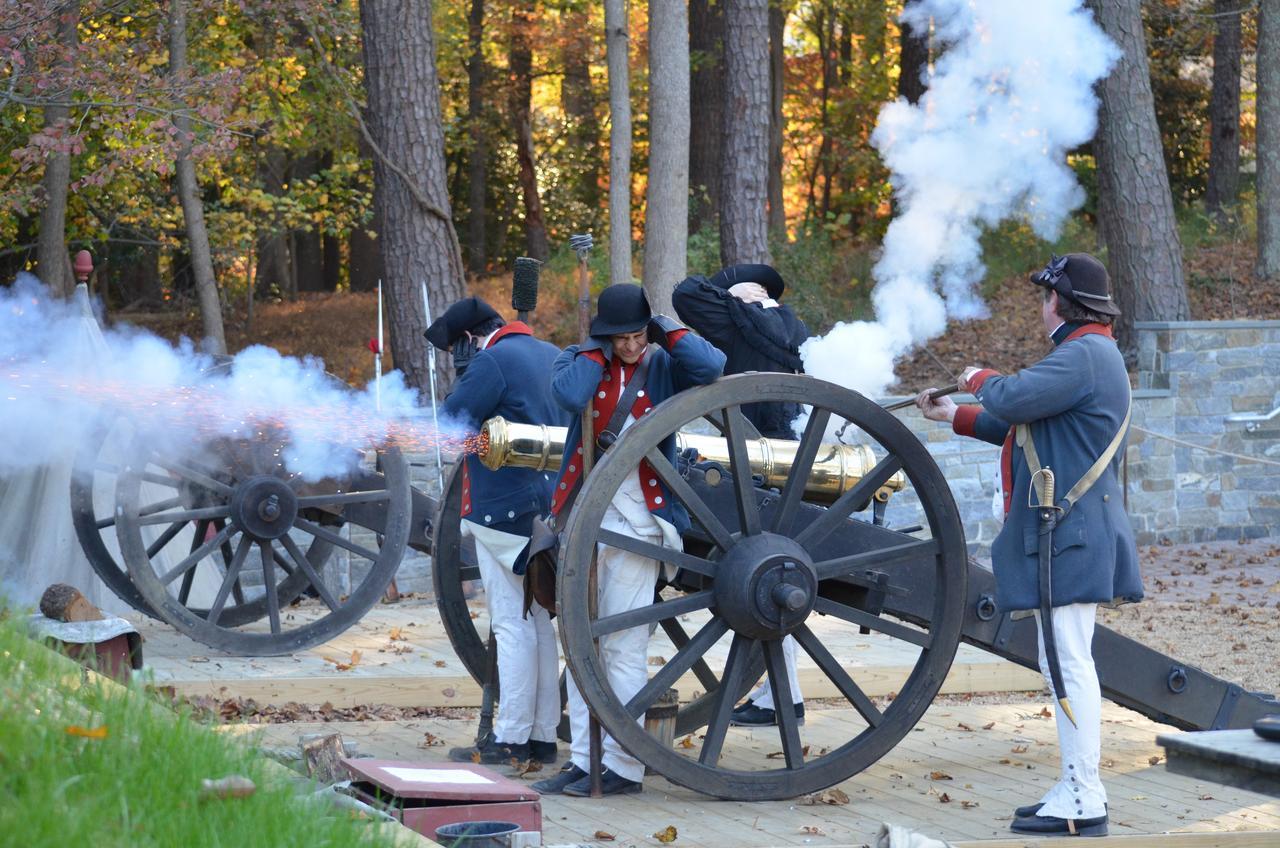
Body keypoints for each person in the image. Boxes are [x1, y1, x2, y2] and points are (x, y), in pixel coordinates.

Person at [915, 253, 1142, 838]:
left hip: (1071, 533)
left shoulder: (1086, 354)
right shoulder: (1086, 354)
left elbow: (1011, 400)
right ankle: (1074, 784)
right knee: (1060, 660)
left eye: (1044, 297)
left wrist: (976, 379)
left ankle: (1085, 794)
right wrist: (953, 416)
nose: (1040, 305)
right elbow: (1023, 426)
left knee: (1068, 663)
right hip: (1067, 532)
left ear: (1059, 303)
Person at [531, 284, 725, 797]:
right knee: (578, 639)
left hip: (642, 522)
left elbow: (710, 368)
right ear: (604, 336)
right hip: (583, 517)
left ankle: (623, 765)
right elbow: (569, 397)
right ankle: (583, 758)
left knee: (623, 645)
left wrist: (666, 327)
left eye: (640, 335)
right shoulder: (580, 361)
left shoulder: (661, 365)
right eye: (624, 338)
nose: (633, 345)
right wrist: (595, 353)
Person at [425, 296, 569, 766]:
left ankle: (509, 737)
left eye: (456, 351)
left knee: (511, 623)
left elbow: (451, 422)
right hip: (553, 506)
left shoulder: (491, 360)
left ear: (468, 340)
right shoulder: (552, 353)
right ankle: (543, 736)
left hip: (504, 511)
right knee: (538, 622)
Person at [672, 264, 809, 728]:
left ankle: (782, 700)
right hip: (787, 450)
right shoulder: (788, 326)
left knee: (771, 576)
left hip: (755, 458)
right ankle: (781, 698)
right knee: (777, 574)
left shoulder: (741, 321)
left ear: (747, 297)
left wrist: (730, 285)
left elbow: (686, 294)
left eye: (732, 295)